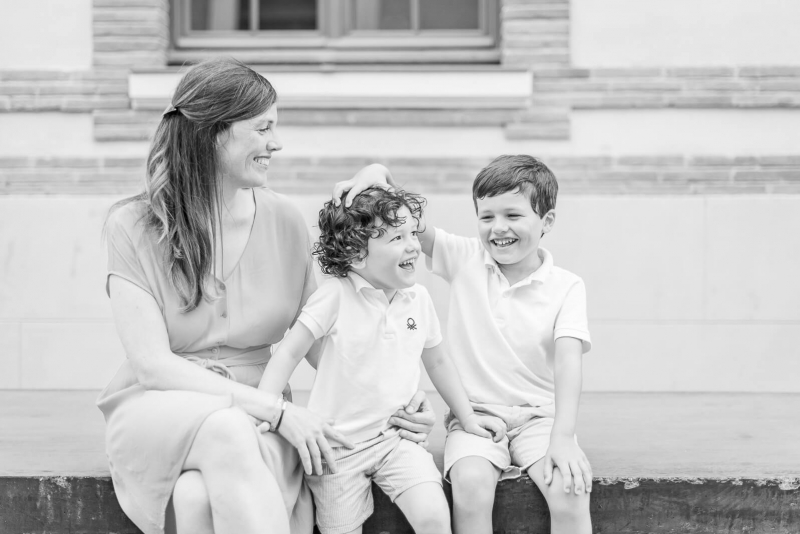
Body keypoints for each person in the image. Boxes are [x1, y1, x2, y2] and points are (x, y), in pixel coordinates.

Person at [96, 57, 436, 534]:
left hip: (262, 417)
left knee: (195, 498)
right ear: (214, 133)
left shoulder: (284, 221)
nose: (276, 143)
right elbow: (153, 366)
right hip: (164, 407)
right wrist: (274, 410)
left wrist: (398, 394)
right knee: (227, 427)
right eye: (262, 129)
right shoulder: (132, 225)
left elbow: (325, 344)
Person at [335, 155, 593, 534]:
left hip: (541, 417)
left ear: (547, 221)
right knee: (470, 486)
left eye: (513, 215)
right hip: (474, 417)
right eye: (486, 217)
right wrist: (374, 173)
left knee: (569, 490)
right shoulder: (464, 257)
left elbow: (570, 364)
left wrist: (564, 437)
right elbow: (407, 221)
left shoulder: (567, 286)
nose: (497, 228)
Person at [258, 187, 506, 534]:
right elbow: (288, 352)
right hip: (337, 451)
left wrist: (467, 417)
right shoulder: (333, 296)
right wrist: (267, 409)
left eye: (411, 234)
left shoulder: (418, 299)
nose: (413, 246)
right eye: (396, 237)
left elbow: (438, 363)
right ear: (358, 254)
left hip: (397, 441)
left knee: (434, 516)